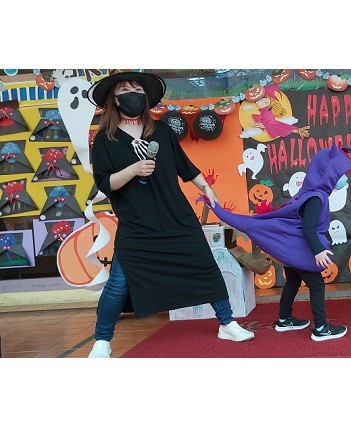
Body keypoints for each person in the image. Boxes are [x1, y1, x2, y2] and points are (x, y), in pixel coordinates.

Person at [86, 70, 254, 358]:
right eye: (124, 90)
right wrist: (132, 170)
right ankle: (102, 341)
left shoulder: (162, 131)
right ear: (114, 99)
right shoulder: (105, 140)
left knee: (207, 268)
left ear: (145, 97)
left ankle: (227, 323)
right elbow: (105, 183)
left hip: (177, 218)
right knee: (119, 283)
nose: (131, 95)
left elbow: (184, 166)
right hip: (137, 225)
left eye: (137, 90)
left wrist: (206, 187)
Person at [209, 144, 351, 341]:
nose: (343, 178)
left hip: (291, 250)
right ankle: (322, 328)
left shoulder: (308, 193)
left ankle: (284, 319)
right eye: (340, 173)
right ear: (328, 173)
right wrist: (318, 251)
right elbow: (308, 228)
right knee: (316, 285)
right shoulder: (316, 197)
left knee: (293, 281)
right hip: (301, 250)